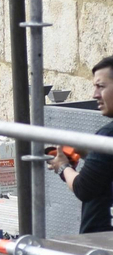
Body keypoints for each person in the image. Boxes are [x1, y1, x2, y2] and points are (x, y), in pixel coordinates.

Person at [48, 55, 113, 233]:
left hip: (103, 242)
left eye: (101, 86)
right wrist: (90, 154)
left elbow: (84, 188)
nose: (95, 94)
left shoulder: (108, 134)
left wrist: (62, 167)